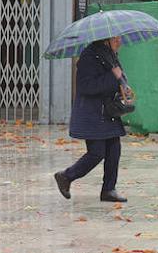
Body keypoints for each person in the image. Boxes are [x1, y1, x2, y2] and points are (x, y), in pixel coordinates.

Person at [54, 36, 130, 202]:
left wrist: (124, 86)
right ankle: (66, 176)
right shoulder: (89, 57)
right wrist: (112, 76)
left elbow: (118, 77)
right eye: (116, 38)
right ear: (106, 40)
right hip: (92, 114)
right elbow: (87, 86)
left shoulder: (110, 55)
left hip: (107, 112)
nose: (120, 42)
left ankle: (109, 190)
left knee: (114, 150)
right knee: (96, 153)